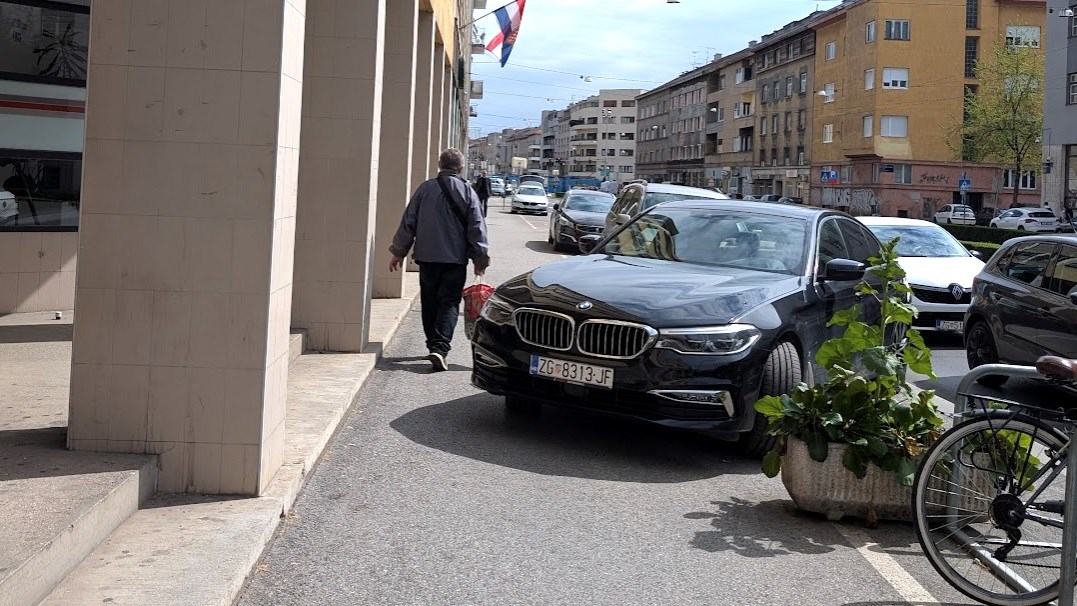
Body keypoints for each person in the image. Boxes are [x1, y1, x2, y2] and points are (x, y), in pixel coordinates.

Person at [389, 148, 490, 372]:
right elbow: (477, 227)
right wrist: (480, 258)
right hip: (455, 260)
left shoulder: (425, 189)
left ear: (439, 165)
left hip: (427, 257)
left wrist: (399, 251)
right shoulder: (467, 191)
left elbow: (409, 221)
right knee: (449, 303)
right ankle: (440, 348)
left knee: (430, 301)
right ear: (460, 167)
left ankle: (433, 345)